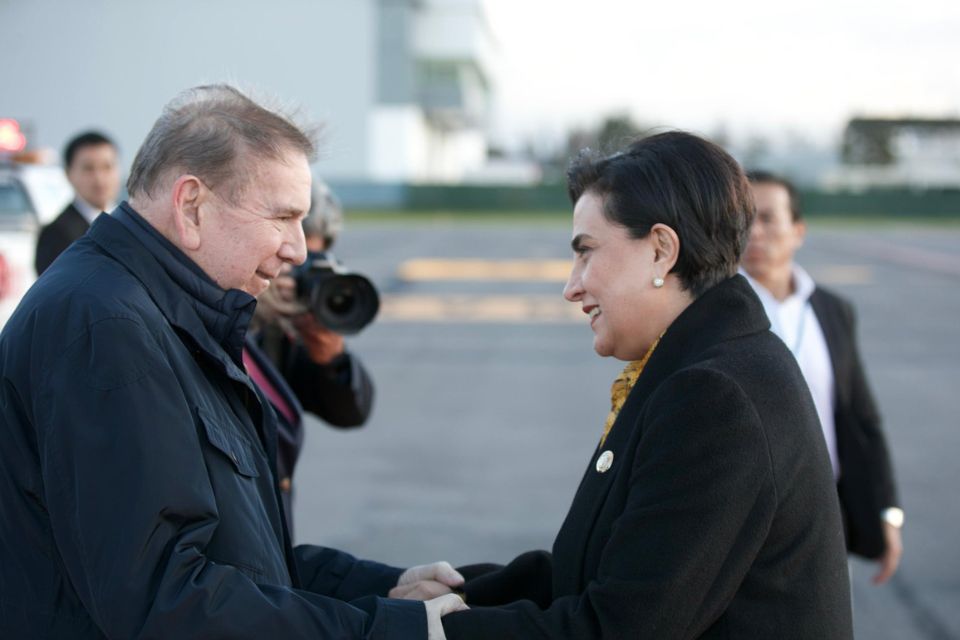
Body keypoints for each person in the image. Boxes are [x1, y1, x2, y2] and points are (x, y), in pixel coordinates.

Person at [0, 84, 466, 639]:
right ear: (192, 205)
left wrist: (380, 589)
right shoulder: (109, 329)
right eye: (284, 217)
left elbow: (237, 557)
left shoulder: (165, 309)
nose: (298, 249)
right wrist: (381, 631)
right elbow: (164, 599)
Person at [408, 132, 854, 638]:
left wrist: (424, 630)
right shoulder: (705, 364)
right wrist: (464, 595)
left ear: (661, 251)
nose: (571, 285)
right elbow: (604, 565)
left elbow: (620, 625)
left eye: (587, 252)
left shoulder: (716, 396)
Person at [741, 170, 903, 583]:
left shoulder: (832, 310)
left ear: (797, 231)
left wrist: (886, 511)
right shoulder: (708, 312)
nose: (754, 232)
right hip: (739, 518)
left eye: (766, 218)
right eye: (742, 219)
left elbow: (861, 418)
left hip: (823, 517)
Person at [244, 181, 375, 534]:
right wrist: (252, 308)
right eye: (289, 257)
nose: (296, 264)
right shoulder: (233, 312)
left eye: (312, 261)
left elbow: (350, 412)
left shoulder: (286, 329)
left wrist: (330, 353)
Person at [34, 130, 121, 275]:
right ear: (68, 174)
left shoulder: (130, 224)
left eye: (107, 167)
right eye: (88, 168)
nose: (99, 178)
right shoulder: (55, 234)